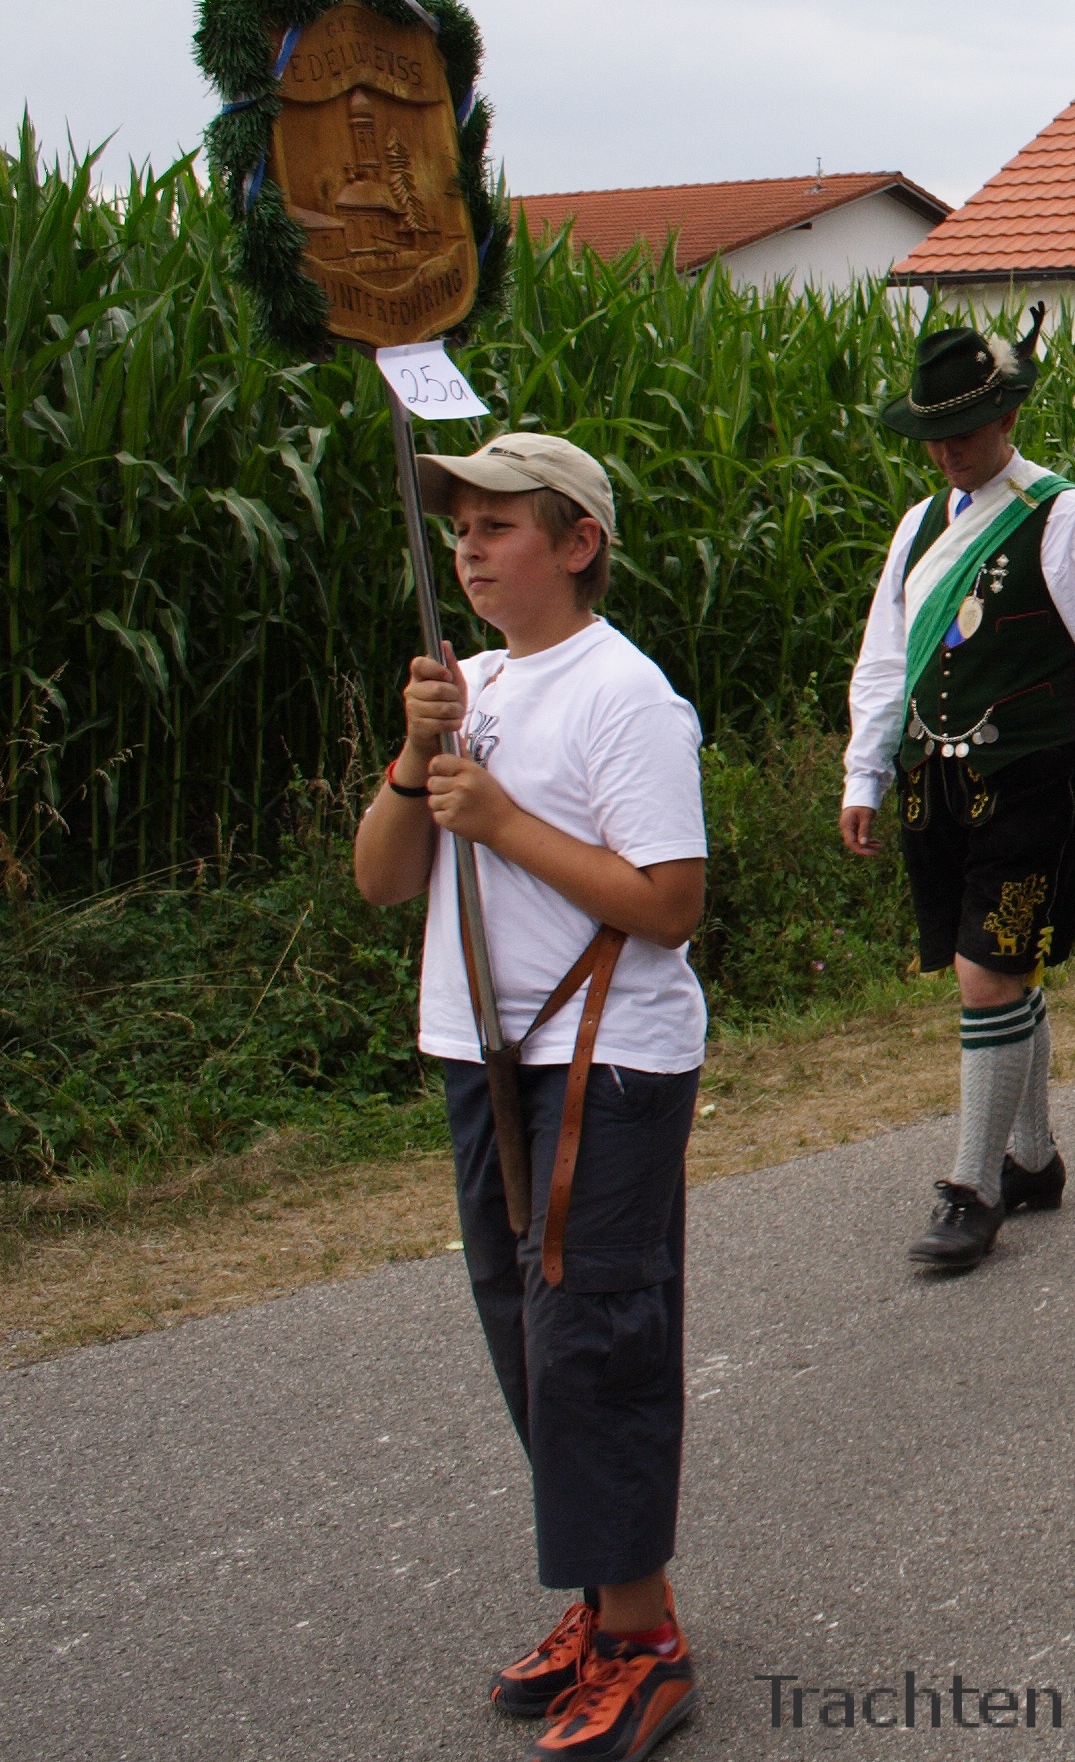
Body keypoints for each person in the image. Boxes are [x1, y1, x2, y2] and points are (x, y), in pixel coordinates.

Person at [357, 432, 708, 1762]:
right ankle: (607, 1600)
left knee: (593, 1343)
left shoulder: (627, 696)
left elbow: (669, 904)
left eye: (498, 525)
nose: (468, 548)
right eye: (459, 528)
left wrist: (503, 822)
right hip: (483, 1052)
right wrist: (416, 756)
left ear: (577, 543)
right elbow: (383, 880)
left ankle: (645, 1642)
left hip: (606, 1060)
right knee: (524, 1334)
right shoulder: (473, 689)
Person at [842, 318, 1075, 1275]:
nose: (948, 451)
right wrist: (866, 770)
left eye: (964, 431)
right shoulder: (918, 529)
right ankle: (1030, 1160)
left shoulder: (1067, 518)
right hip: (933, 787)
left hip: (1033, 778)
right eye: (933, 435)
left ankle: (973, 1187)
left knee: (988, 972)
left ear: (1008, 419)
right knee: (995, 969)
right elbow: (885, 662)